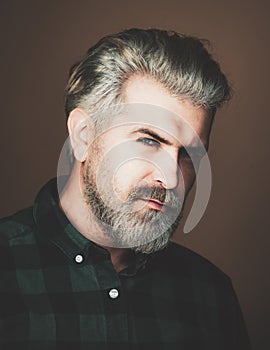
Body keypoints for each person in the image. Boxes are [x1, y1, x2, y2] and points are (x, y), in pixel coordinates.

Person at [0, 28, 250, 349]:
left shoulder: (210, 294)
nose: (171, 179)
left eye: (189, 154)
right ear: (84, 136)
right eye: (149, 140)